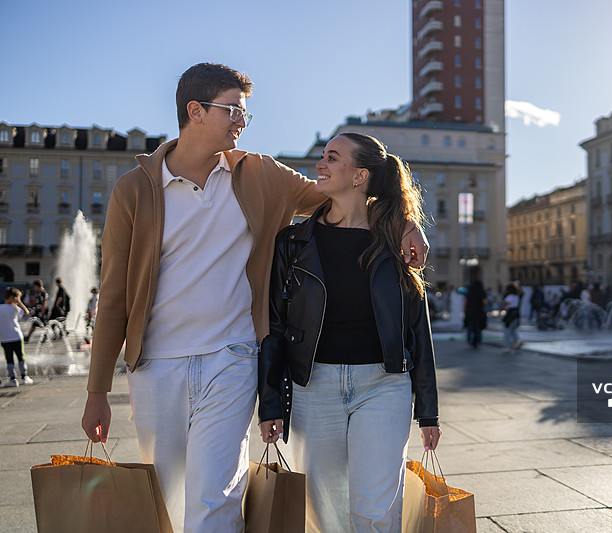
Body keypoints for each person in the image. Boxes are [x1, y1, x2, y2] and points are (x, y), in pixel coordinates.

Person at [80, 63, 429, 533]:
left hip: (234, 356)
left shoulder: (261, 173)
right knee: (168, 496)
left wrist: (405, 221)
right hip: (157, 365)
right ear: (195, 111)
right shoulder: (136, 190)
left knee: (217, 496)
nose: (242, 121)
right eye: (232, 110)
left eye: (245, 112)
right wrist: (97, 390)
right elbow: (116, 294)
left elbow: (343, 193)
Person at [257, 132, 440, 532]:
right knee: (327, 515)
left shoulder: (395, 242)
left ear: (360, 176)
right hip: (313, 388)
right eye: (322, 155)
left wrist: (428, 410)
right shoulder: (293, 242)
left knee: (375, 512)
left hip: (384, 385)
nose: (320, 164)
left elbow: (416, 328)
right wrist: (269, 402)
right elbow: (275, 325)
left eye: (332, 157)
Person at [1, 288, 32, 387]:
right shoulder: (14, 308)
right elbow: (26, 312)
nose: (17, 301)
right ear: (12, 298)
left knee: (9, 358)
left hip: (4, 338)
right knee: (21, 357)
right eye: (17, 299)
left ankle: (13, 379)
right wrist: (20, 303)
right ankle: (24, 377)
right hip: (17, 336)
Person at [464, 279, 488, 348]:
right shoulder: (482, 292)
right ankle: (478, 342)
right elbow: (485, 302)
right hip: (479, 311)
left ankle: (470, 341)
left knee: (470, 327)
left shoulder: (469, 292)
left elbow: (466, 302)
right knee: (478, 328)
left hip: (470, 311)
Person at [501, 282, 522, 353]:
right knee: (513, 329)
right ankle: (518, 340)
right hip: (516, 314)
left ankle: (507, 347)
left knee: (507, 331)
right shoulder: (517, 296)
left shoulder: (509, 296)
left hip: (510, 314)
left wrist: (502, 309)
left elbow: (505, 304)